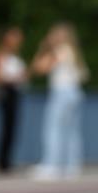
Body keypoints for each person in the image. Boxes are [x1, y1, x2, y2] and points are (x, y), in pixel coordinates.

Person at [29, 23, 89, 180]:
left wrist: (42, 48)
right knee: (72, 132)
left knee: (53, 129)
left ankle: (52, 166)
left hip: (62, 93)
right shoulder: (73, 52)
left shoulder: (60, 51)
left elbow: (39, 68)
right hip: (75, 93)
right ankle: (72, 167)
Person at [0, 26, 28, 173]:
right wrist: (15, 78)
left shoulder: (16, 56)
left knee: (13, 128)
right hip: (6, 92)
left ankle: (8, 160)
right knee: (6, 127)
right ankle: (2, 161)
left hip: (16, 92)